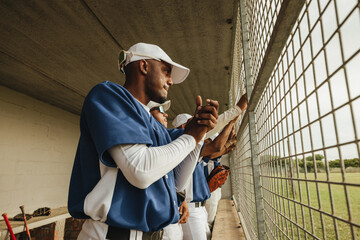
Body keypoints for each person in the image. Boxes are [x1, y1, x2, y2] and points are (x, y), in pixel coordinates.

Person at [67, 42, 219, 240]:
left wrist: (199, 134)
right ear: (144, 66)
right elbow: (140, 170)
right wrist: (190, 138)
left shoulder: (154, 124)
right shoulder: (109, 95)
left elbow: (178, 183)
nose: (170, 81)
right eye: (166, 71)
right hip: (112, 234)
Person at [148, 100, 189, 240]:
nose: (165, 114)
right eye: (160, 109)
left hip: (174, 215)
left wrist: (181, 199)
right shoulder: (146, 137)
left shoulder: (165, 137)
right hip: (157, 224)